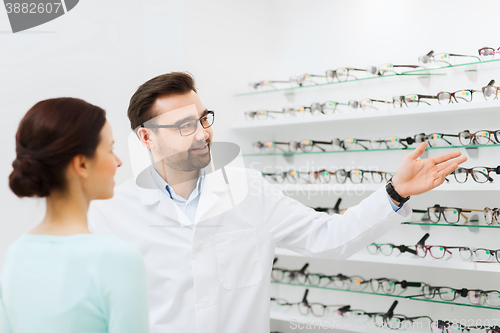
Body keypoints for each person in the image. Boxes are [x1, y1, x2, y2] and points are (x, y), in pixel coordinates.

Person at [88, 72, 467, 333]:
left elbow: (329, 236)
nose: (204, 133)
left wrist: (395, 191)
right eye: (186, 126)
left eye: (204, 119)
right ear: (146, 138)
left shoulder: (248, 191)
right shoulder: (110, 213)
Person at [0, 98, 150, 333]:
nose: (118, 161)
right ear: (81, 164)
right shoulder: (116, 259)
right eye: (110, 149)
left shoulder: (15, 255)